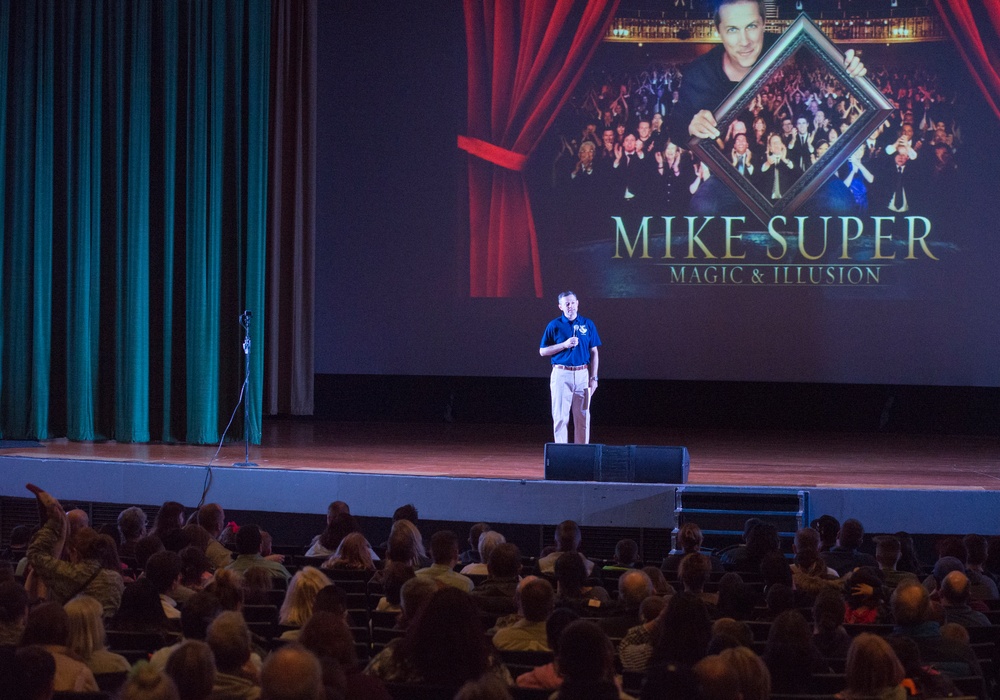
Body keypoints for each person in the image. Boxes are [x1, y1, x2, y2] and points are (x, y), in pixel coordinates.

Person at [539, 291, 601, 445]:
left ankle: (581, 454)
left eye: (572, 303)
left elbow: (594, 352)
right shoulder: (554, 325)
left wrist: (594, 378)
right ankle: (562, 454)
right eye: (566, 303)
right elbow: (542, 351)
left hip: (582, 375)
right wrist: (564, 345)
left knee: (584, 416)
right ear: (560, 306)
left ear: (577, 303)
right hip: (561, 374)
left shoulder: (588, 324)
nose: (570, 306)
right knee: (560, 417)